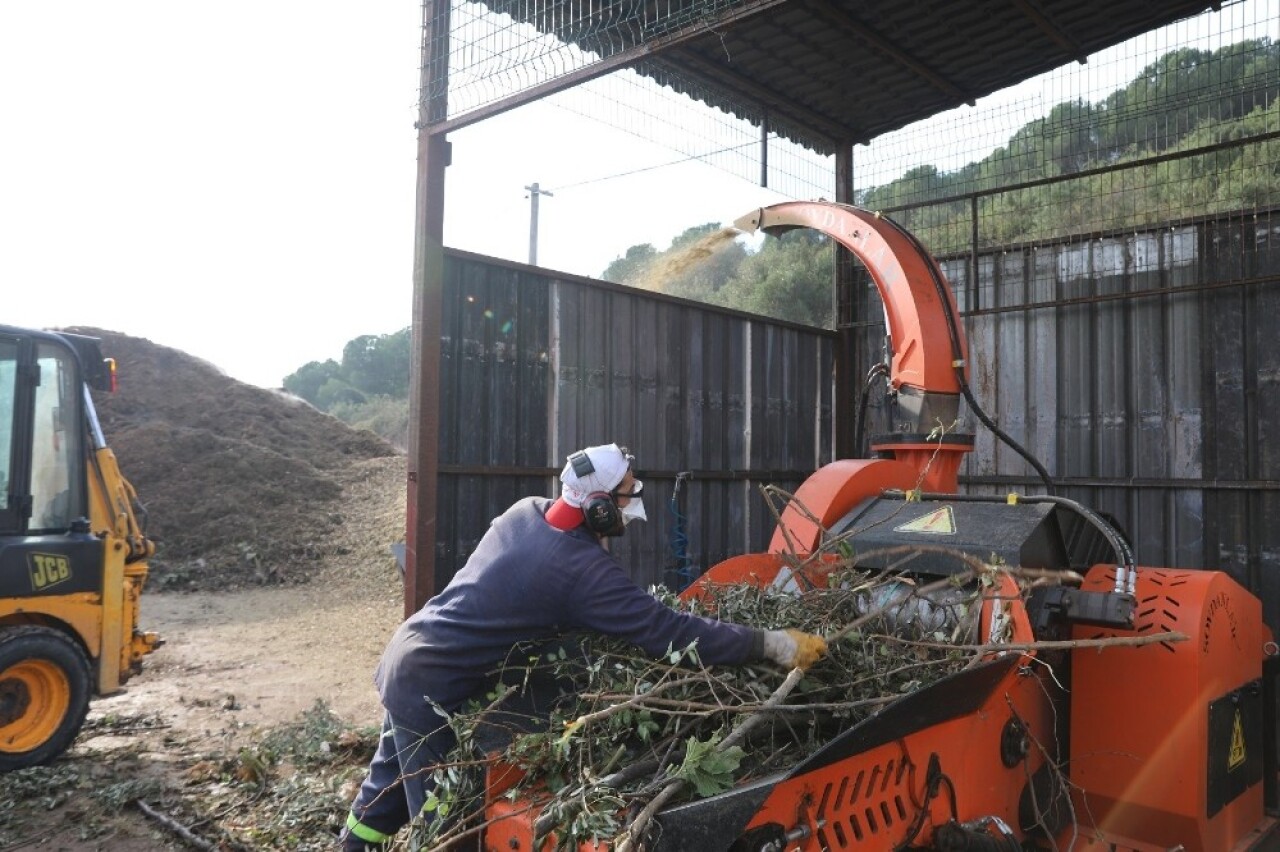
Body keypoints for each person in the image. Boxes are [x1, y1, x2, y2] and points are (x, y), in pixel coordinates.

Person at [341, 443, 826, 850]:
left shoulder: (524, 512)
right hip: (430, 683)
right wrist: (772, 644)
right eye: (625, 496)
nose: (631, 505)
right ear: (597, 507)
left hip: (413, 651)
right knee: (447, 828)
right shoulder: (580, 571)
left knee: (386, 791)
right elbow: (670, 632)